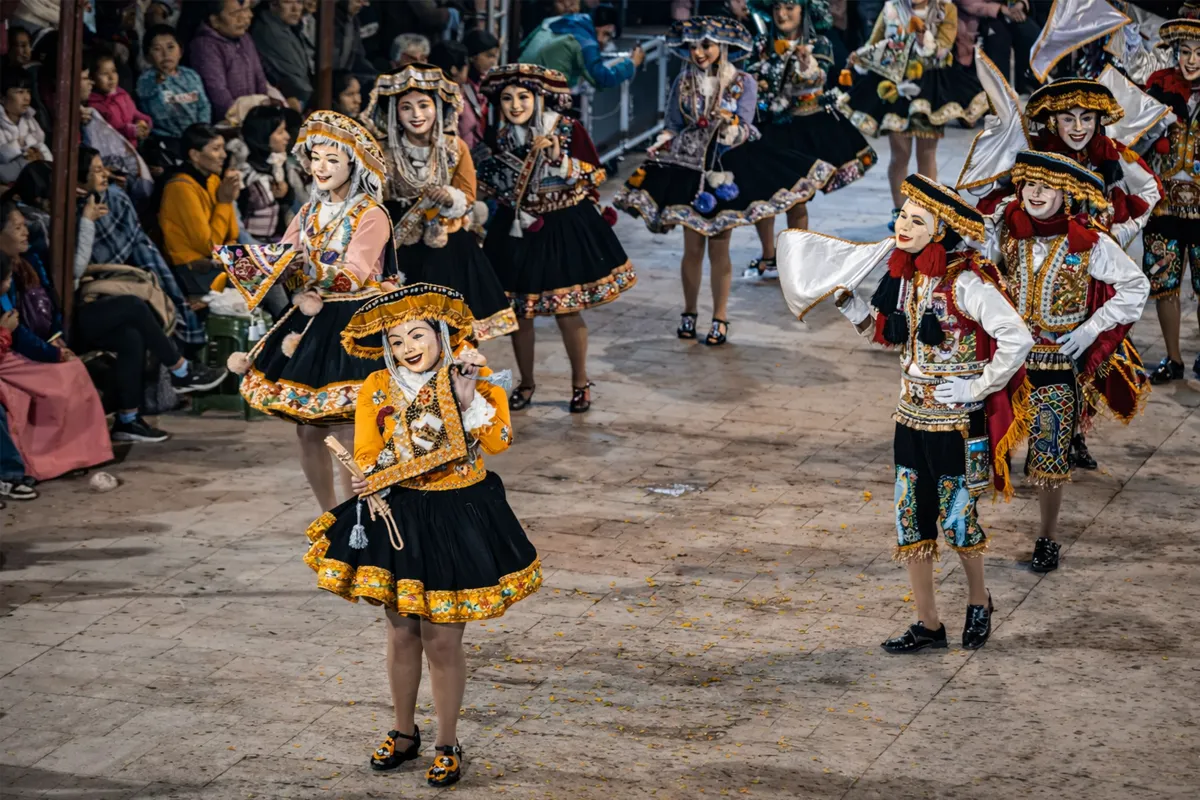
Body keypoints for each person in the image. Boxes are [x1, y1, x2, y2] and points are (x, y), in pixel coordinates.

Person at [776, 176, 1033, 652]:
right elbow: (896, 337)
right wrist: (853, 309)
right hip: (909, 415)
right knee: (910, 519)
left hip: (956, 423)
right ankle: (929, 623)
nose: (903, 225)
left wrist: (977, 385)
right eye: (902, 215)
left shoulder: (970, 282)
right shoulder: (907, 276)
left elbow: (1017, 338)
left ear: (939, 232)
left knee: (958, 520)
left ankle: (979, 601)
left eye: (917, 220)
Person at [303, 283, 541, 788]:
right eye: (396, 340)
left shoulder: (477, 382)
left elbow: (498, 443)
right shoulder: (375, 387)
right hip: (403, 514)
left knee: (444, 640)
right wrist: (367, 476)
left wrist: (467, 397)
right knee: (401, 633)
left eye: (417, 334)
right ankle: (403, 731)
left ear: (440, 334)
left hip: (460, 515)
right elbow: (366, 449)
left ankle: (448, 742)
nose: (408, 347)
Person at [219, 110, 401, 510]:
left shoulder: (371, 214)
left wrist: (303, 267)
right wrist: (255, 265)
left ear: (353, 164)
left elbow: (352, 275)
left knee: (353, 430)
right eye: (316, 157)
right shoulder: (307, 213)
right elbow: (285, 261)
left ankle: (365, 513)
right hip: (311, 321)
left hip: (355, 325)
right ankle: (330, 515)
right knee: (308, 431)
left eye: (332, 159)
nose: (321, 167)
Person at [980, 151, 1150, 573]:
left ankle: (1047, 536)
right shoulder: (1007, 230)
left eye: (1047, 187)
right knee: (981, 442)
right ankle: (967, 526)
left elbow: (1135, 286)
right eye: (1029, 185)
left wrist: (1092, 329)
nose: (1035, 194)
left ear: (1066, 193)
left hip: (1057, 364)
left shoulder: (1089, 240)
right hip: (1007, 363)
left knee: (1049, 454)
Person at [477, 63, 637, 413]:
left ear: (539, 97)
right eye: (507, 98)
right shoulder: (502, 136)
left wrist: (560, 160)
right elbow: (493, 185)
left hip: (565, 224)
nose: (516, 105)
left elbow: (596, 174)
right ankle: (527, 382)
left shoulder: (567, 129)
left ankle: (580, 383)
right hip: (518, 228)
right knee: (520, 312)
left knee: (568, 310)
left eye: (523, 97)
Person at [613, 17, 759, 346]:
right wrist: (662, 140)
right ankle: (689, 311)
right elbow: (673, 124)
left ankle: (720, 317)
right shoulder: (683, 81)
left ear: (721, 47)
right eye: (694, 45)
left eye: (705, 45)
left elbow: (748, 127)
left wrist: (731, 126)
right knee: (692, 248)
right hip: (687, 171)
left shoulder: (743, 82)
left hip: (724, 172)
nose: (698, 52)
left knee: (720, 248)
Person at [725, 0, 876, 280]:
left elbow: (821, 76)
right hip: (769, 127)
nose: (782, 15)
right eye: (777, 9)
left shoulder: (820, 44)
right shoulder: (761, 44)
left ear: (804, 11)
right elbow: (749, 79)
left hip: (807, 129)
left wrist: (806, 66)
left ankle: (796, 262)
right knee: (764, 195)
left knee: (798, 199)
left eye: (790, 8)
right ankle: (768, 256)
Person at [364, 65, 516, 342]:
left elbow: (468, 195)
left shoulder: (455, 147)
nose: (417, 115)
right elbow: (370, 201)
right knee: (405, 332)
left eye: (424, 105)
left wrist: (450, 197)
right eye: (406, 107)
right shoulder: (381, 150)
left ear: (438, 107)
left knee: (454, 330)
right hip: (401, 248)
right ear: (395, 113)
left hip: (449, 245)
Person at [835, 0, 987, 231]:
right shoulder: (891, 8)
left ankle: (927, 209)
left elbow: (944, 47)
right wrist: (861, 56)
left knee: (926, 153)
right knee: (900, 154)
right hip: (895, 85)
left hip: (930, 87)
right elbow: (874, 43)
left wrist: (923, 38)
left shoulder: (945, 8)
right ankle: (900, 212)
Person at [0, 219, 114, 478]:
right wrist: (50, 353)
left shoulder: (27, 264)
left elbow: (47, 308)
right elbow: (15, 335)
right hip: (11, 358)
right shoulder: (5, 276)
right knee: (63, 379)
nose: (25, 231)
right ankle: (42, 463)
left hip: (22, 350)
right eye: (16, 227)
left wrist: (54, 339)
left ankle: (74, 456)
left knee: (73, 370)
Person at [73, 147, 208, 354]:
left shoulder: (115, 198)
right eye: (97, 170)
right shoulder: (73, 211)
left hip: (130, 273)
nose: (106, 175)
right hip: (92, 286)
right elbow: (81, 266)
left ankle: (181, 365)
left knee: (154, 302)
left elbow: (141, 246)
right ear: (79, 176)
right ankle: (180, 370)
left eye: (104, 169)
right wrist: (87, 222)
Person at [1141, 16, 1200, 384]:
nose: (1191, 60)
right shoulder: (1157, 89)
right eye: (1185, 51)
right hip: (1163, 206)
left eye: (1199, 53)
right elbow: (1135, 142)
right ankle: (1173, 358)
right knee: (1165, 285)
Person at [159, 123, 242, 300]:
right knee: (269, 281)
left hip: (220, 262)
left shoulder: (213, 180)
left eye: (223, 148)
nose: (223, 155)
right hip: (193, 270)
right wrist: (224, 202)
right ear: (195, 155)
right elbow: (209, 247)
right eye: (216, 149)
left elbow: (233, 233)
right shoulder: (180, 187)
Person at [519, 3, 645, 91]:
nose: (605, 41)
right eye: (608, 35)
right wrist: (632, 63)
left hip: (517, 76)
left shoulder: (553, 21)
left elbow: (523, 46)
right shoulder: (586, 42)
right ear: (605, 27)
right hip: (535, 90)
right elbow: (603, 79)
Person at [189, 0, 270, 121]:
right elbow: (219, 98)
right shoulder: (204, 46)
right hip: (229, 123)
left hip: (254, 119)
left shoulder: (245, 38)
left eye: (246, 9)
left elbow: (260, 79)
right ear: (215, 20)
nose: (245, 17)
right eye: (235, 13)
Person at [233, 105, 301, 243]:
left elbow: (289, 207)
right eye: (280, 132)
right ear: (263, 134)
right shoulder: (241, 171)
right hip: (250, 246)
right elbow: (237, 222)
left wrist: (286, 193)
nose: (287, 137)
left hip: (276, 241)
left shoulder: (276, 163)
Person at [136, 25, 213, 144]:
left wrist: (201, 131)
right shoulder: (146, 79)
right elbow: (145, 93)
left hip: (197, 137)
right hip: (166, 139)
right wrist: (157, 81)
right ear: (147, 57)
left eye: (170, 47)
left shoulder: (191, 75)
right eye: (157, 49)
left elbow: (204, 105)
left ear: (181, 51)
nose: (165, 54)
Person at [251, 0, 314, 109]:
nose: (295, 9)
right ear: (273, 4)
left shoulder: (287, 28)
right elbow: (294, 77)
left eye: (299, 2)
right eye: (288, 2)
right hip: (291, 101)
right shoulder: (270, 32)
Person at [87, 48, 153, 147]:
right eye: (104, 73)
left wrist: (145, 122)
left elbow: (134, 113)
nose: (111, 77)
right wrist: (131, 130)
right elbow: (107, 130)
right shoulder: (95, 104)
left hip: (130, 149)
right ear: (92, 78)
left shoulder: (122, 95)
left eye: (113, 71)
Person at [0, 70, 51, 185]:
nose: (27, 97)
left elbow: (41, 147)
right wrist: (24, 157)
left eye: (28, 92)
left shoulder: (30, 120)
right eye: (20, 92)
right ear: (2, 98)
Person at [461, 30, 499, 155]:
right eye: (489, 56)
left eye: (495, 56)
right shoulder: (461, 86)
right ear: (473, 56)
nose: (493, 62)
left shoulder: (488, 82)